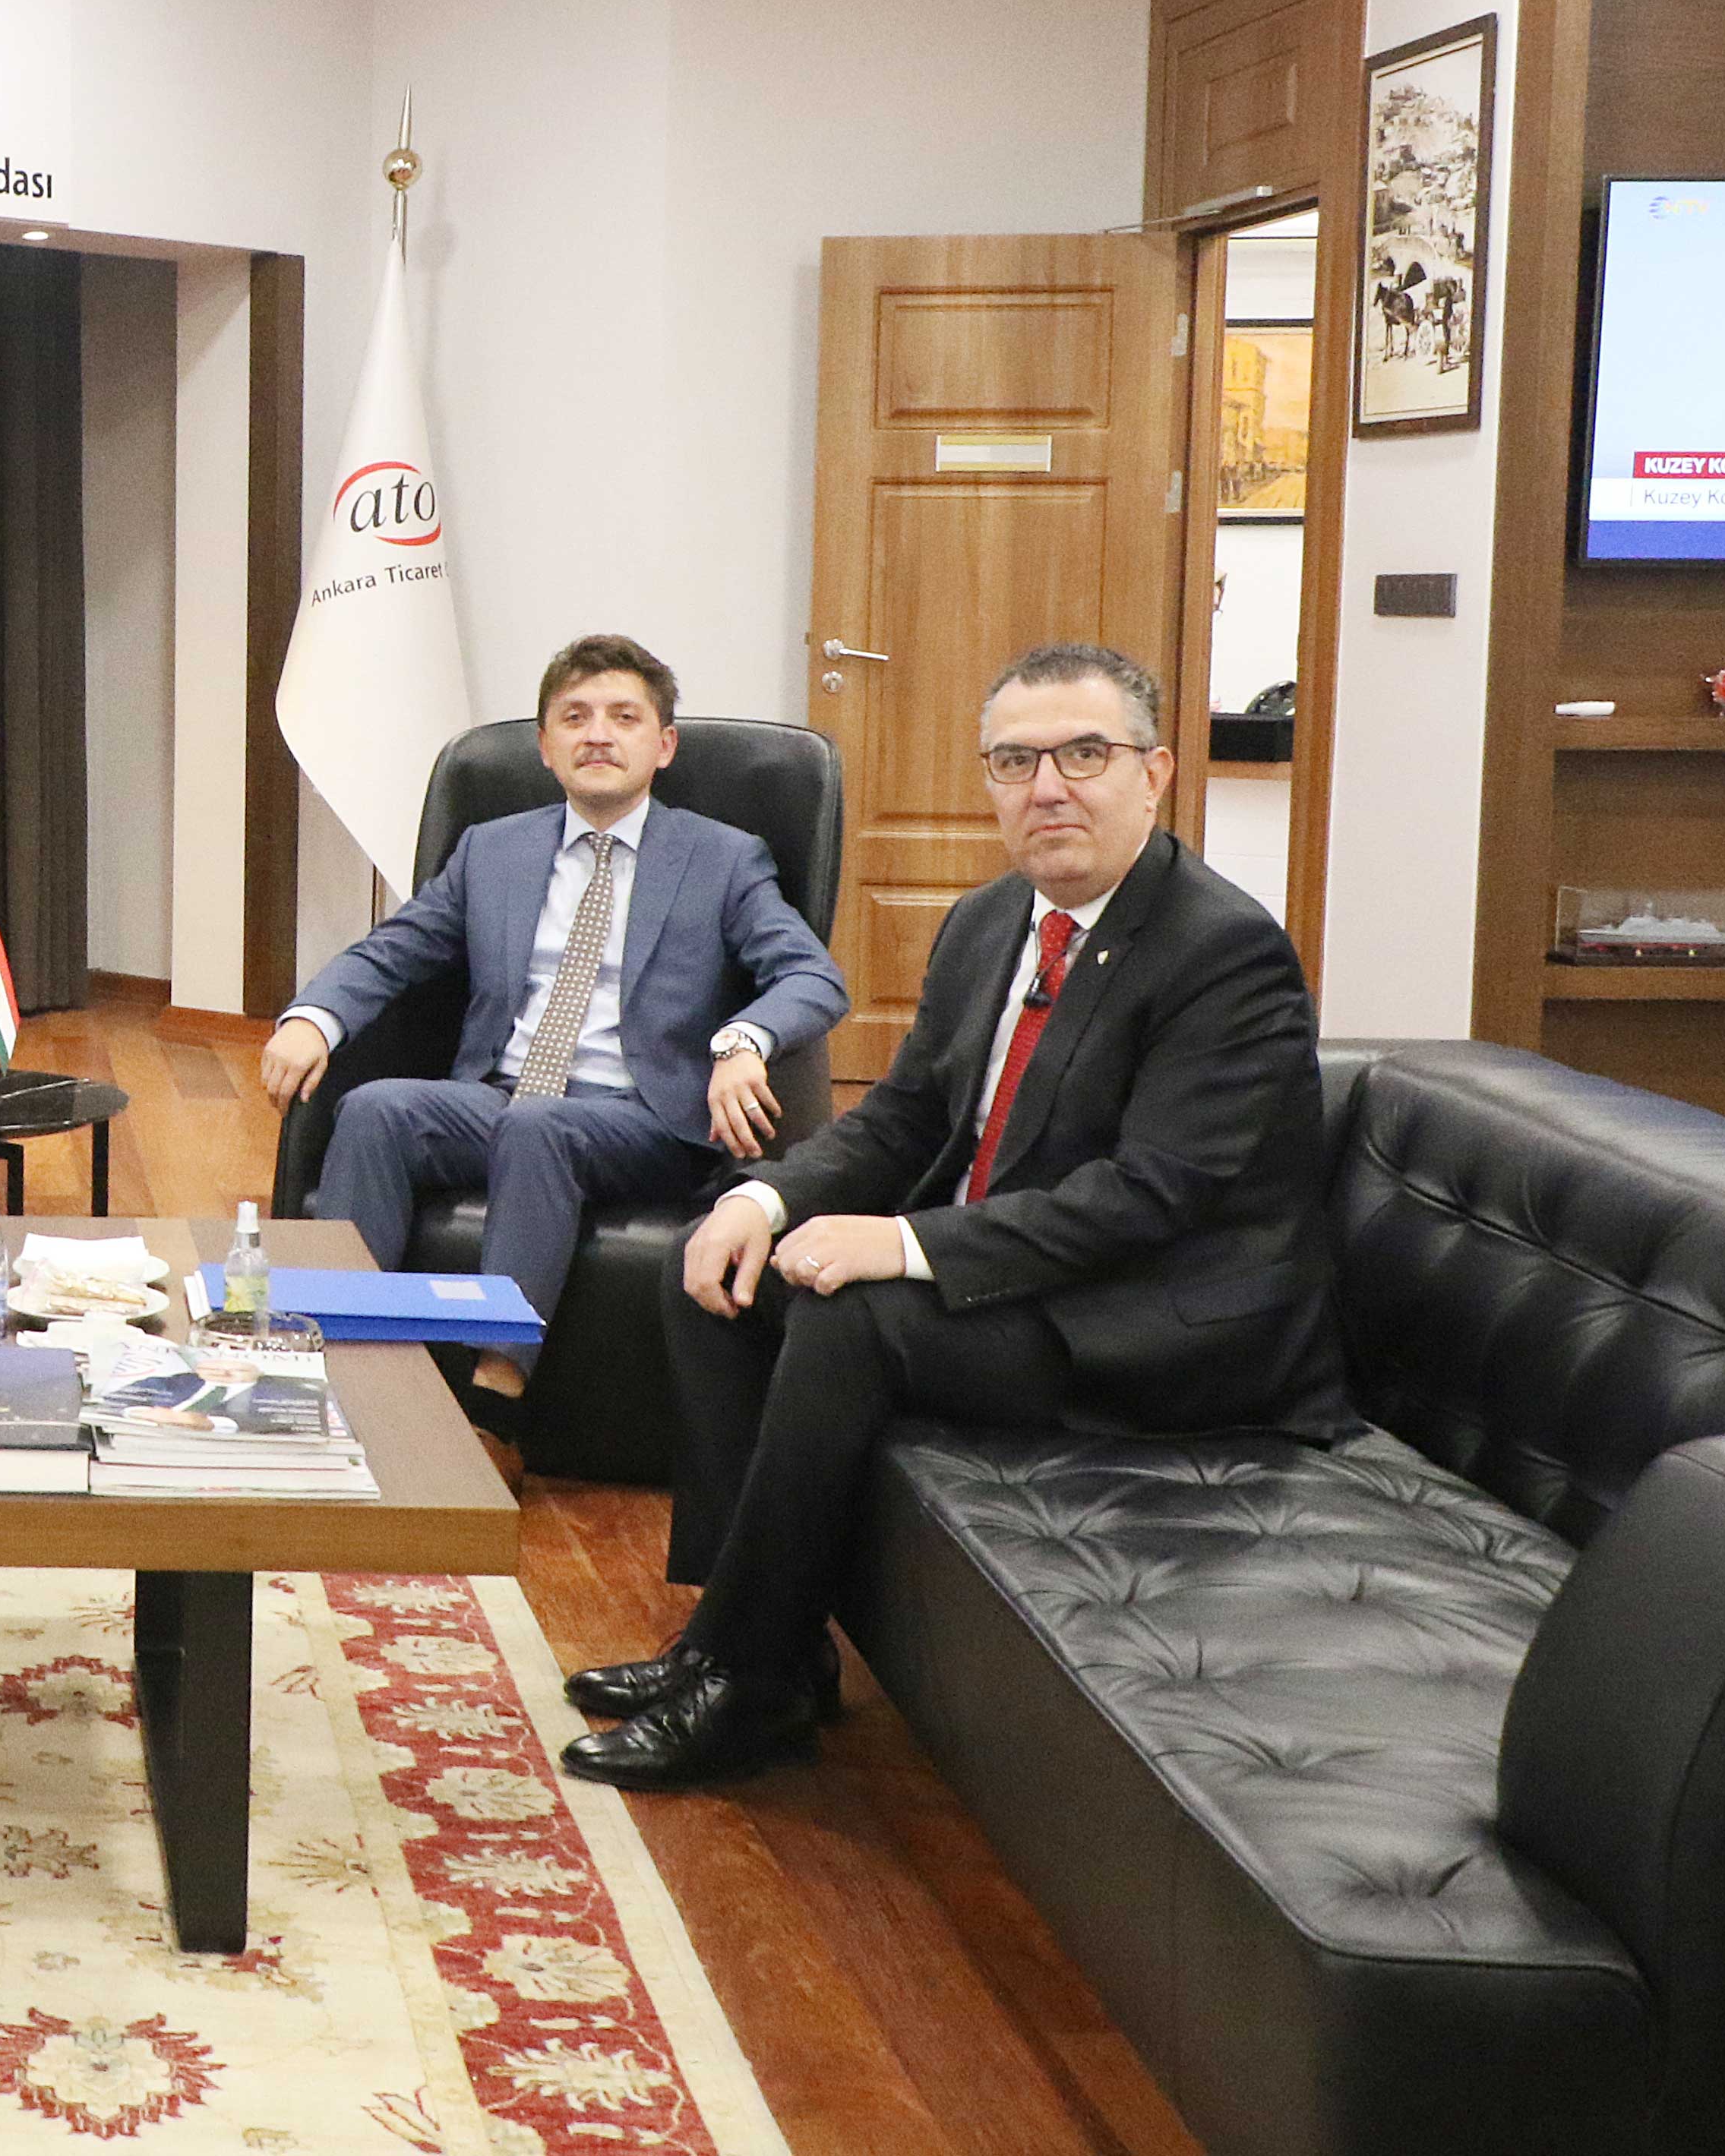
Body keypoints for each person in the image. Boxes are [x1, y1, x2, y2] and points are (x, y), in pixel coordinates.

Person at [559, 641, 1344, 1792]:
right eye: (1016, 761)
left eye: (1085, 754)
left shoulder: (1222, 950)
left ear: (1155, 772)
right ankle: (752, 1644)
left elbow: (1149, 1196)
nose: (1048, 788)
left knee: (850, 1317)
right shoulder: (987, 921)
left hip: (1156, 1320)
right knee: (718, 1265)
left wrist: (902, 1242)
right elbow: (906, 1116)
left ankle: (747, 1680)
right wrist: (764, 1196)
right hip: (1021, 1273)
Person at [261, 634, 845, 1417]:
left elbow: (811, 976)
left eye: (623, 717)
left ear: (664, 745)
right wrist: (315, 1018)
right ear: (545, 746)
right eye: (574, 717)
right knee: (376, 1108)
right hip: (502, 1097)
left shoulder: (724, 858)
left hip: (644, 1118)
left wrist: (743, 1041)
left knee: (538, 1126)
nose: (597, 734)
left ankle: (496, 1400)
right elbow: (394, 950)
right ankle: (331, 1368)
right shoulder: (491, 849)